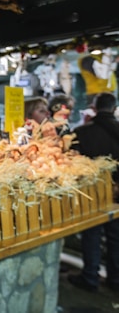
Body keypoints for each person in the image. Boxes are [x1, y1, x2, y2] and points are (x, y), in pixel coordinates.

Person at [68, 92, 119, 293]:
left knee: (92, 233)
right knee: (116, 236)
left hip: (92, 192)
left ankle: (90, 277)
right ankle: (116, 279)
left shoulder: (82, 132)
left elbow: (72, 160)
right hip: (118, 192)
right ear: (114, 109)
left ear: (94, 108)